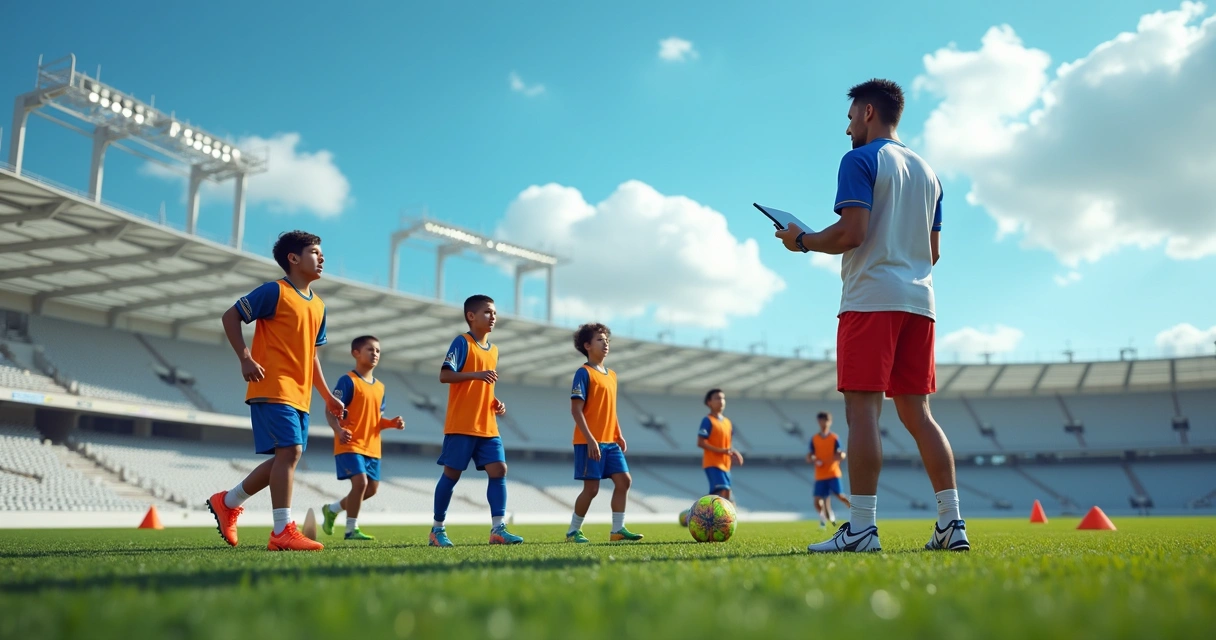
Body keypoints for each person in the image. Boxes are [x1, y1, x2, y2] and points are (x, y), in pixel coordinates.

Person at [775, 79, 969, 553]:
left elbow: (852, 233)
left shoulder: (859, 160)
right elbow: (934, 252)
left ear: (866, 112)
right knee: (919, 415)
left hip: (870, 299)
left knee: (862, 412)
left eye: (848, 119)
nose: (846, 130)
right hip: (920, 304)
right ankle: (952, 523)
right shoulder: (929, 173)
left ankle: (861, 528)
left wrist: (802, 239)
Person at [207, 230, 344, 552]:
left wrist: (327, 396)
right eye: (315, 252)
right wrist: (246, 357)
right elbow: (231, 316)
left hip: (300, 394)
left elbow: (312, 356)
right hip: (272, 384)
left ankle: (227, 502)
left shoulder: (319, 307)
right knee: (290, 453)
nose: (321, 258)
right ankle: (282, 530)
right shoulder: (274, 292)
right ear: (293, 259)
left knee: (287, 457)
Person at [429, 295, 524, 547]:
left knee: (499, 469)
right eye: (487, 312)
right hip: (462, 423)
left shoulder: (494, 350)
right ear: (471, 316)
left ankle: (498, 529)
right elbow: (444, 375)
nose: (493, 317)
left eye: (494, 313)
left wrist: (494, 401)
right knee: (452, 474)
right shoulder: (462, 342)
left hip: (487, 424)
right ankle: (437, 529)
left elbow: (484, 387)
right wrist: (476, 375)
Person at [321, 335, 405, 540]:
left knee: (370, 490)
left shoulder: (380, 388)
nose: (375, 353)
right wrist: (338, 430)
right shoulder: (347, 381)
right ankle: (351, 530)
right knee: (360, 483)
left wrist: (391, 424)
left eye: (377, 350)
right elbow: (330, 410)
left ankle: (332, 509)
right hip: (350, 443)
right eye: (370, 349)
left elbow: (376, 419)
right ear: (356, 353)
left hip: (372, 447)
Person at [565, 323, 644, 543]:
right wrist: (591, 440)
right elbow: (576, 409)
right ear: (587, 345)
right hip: (589, 441)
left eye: (607, 339)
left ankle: (617, 530)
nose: (606, 343)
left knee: (624, 481)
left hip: (610, 441)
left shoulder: (612, 376)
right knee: (591, 489)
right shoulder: (584, 373)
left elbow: (610, 409)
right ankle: (573, 531)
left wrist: (618, 434)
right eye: (600, 339)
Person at [697, 388, 743, 502]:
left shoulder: (727, 422)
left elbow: (727, 443)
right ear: (709, 402)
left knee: (726, 493)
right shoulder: (707, 420)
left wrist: (735, 452)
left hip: (725, 464)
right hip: (713, 463)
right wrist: (722, 451)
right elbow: (701, 442)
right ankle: (702, 513)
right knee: (723, 491)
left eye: (723, 398)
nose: (721, 401)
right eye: (717, 398)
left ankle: (716, 517)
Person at [807, 411, 850, 528]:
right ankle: (823, 518)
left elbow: (841, 454)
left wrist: (840, 456)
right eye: (821, 420)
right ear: (818, 422)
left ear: (830, 422)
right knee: (817, 501)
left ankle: (856, 512)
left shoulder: (834, 438)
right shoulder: (814, 439)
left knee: (840, 496)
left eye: (826, 420)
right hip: (820, 475)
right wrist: (814, 459)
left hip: (833, 473)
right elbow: (810, 455)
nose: (823, 423)